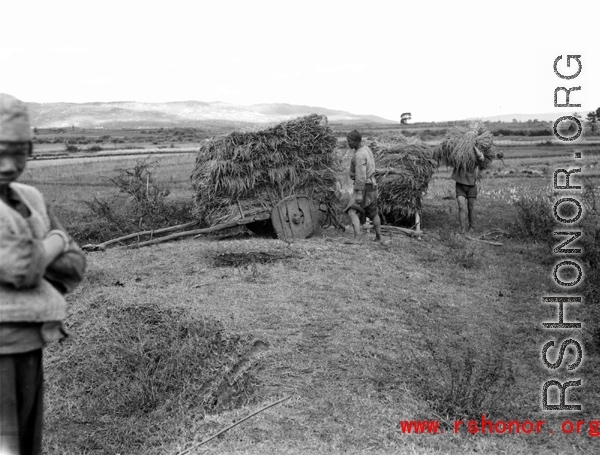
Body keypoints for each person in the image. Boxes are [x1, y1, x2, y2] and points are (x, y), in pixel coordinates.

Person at [0, 93, 86, 455]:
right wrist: (53, 240)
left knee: (25, 443)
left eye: (19, 151)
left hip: (30, 341)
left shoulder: (30, 197)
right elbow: (22, 268)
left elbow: (77, 264)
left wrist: (37, 253)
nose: (8, 164)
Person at [343, 130, 382, 243]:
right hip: (372, 185)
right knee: (373, 213)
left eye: (349, 141)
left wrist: (359, 193)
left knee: (352, 212)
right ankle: (379, 237)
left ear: (356, 141)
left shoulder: (359, 155)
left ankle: (357, 239)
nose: (348, 143)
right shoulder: (366, 149)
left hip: (364, 187)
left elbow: (360, 175)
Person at [451, 146, 485, 234]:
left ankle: (471, 227)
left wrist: (473, 146)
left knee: (470, 208)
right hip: (460, 185)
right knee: (461, 207)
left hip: (471, 186)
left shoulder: (475, 160)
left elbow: (481, 157)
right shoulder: (459, 158)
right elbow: (451, 157)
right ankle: (462, 228)